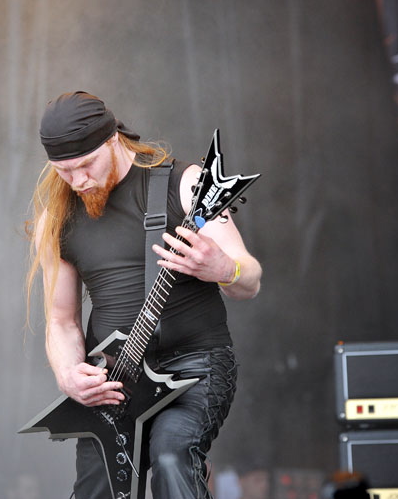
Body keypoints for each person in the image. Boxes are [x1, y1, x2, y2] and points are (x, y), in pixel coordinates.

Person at [25, 91, 262, 499]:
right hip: (116, 382)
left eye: (85, 165)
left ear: (113, 140)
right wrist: (68, 375)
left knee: (171, 457)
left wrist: (224, 268)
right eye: (63, 171)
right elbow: (62, 321)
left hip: (195, 365)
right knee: (97, 488)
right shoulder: (58, 216)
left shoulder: (184, 183)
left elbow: (250, 280)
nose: (77, 180)